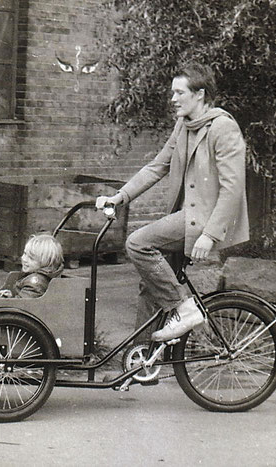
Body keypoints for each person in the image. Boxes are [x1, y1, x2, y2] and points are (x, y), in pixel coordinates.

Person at [96, 62, 249, 342]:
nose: (173, 99)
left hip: (203, 221)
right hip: (186, 216)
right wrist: (120, 197)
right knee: (150, 286)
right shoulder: (184, 125)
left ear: (200, 94)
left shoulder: (223, 128)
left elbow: (232, 189)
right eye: (173, 93)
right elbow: (158, 166)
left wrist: (209, 235)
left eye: (179, 93)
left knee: (137, 243)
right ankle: (139, 361)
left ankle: (184, 308)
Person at [0, 234, 64, 299]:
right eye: (25, 254)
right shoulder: (34, 275)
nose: (24, 259)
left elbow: (24, 305)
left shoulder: (36, 282)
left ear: (46, 263)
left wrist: (9, 299)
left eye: (31, 258)